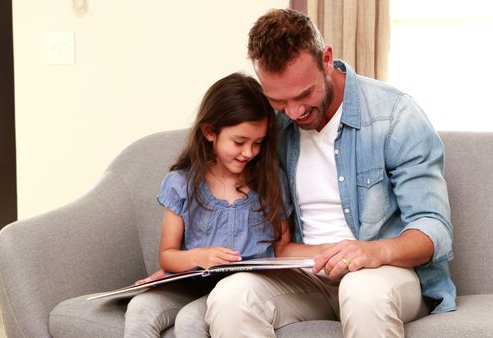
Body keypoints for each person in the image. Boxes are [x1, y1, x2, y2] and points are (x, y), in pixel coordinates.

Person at [204, 8, 457, 338]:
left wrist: (373, 251)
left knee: (362, 292)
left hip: (386, 274)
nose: (294, 112)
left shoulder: (393, 115)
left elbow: (434, 228)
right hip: (308, 277)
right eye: (279, 101)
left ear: (326, 59)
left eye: (305, 94)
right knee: (230, 297)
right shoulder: (273, 127)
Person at [123, 72, 292, 338]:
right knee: (140, 308)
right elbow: (167, 254)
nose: (248, 152)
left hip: (240, 294)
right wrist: (197, 257)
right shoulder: (181, 184)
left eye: (257, 143)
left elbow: (283, 249)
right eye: (239, 142)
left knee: (191, 321)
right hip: (192, 284)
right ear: (210, 132)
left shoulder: (272, 182)